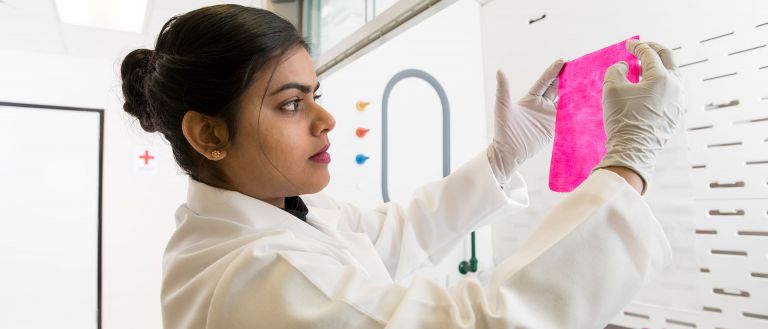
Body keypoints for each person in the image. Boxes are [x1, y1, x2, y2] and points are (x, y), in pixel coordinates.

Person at [121, 4, 684, 329]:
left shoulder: (286, 210)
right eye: (291, 104)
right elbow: (487, 321)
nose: (326, 119)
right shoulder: (256, 277)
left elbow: (393, 234)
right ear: (210, 134)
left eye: (316, 93)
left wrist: (500, 160)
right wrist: (627, 165)